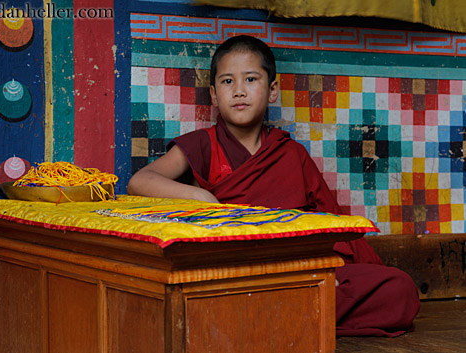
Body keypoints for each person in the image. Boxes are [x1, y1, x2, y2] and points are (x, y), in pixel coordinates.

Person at [127, 35, 420, 337]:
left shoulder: (291, 154)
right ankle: (287, 315)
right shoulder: (204, 145)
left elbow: (330, 222)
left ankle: (268, 317)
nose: (239, 91)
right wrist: (202, 197)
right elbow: (140, 181)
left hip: (296, 270)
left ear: (272, 90)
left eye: (251, 79)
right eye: (227, 82)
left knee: (399, 289)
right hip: (232, 271)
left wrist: (325, 267)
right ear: (213, 94)